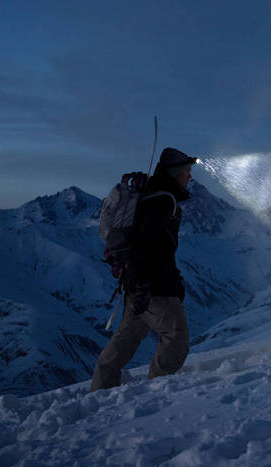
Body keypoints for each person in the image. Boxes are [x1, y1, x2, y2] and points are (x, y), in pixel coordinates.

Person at [90, 147, 196, 391]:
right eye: (186, 172)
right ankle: (156, 392)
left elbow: (153, 247)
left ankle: (99, 391)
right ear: (174, 173)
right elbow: (146, 246)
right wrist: (146, 285)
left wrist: (141, 283)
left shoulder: (154, 197)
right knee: (176, 336)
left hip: (136, 284)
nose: (189, 177)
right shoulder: (162, 202)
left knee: (124, 340)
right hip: (152, 287)